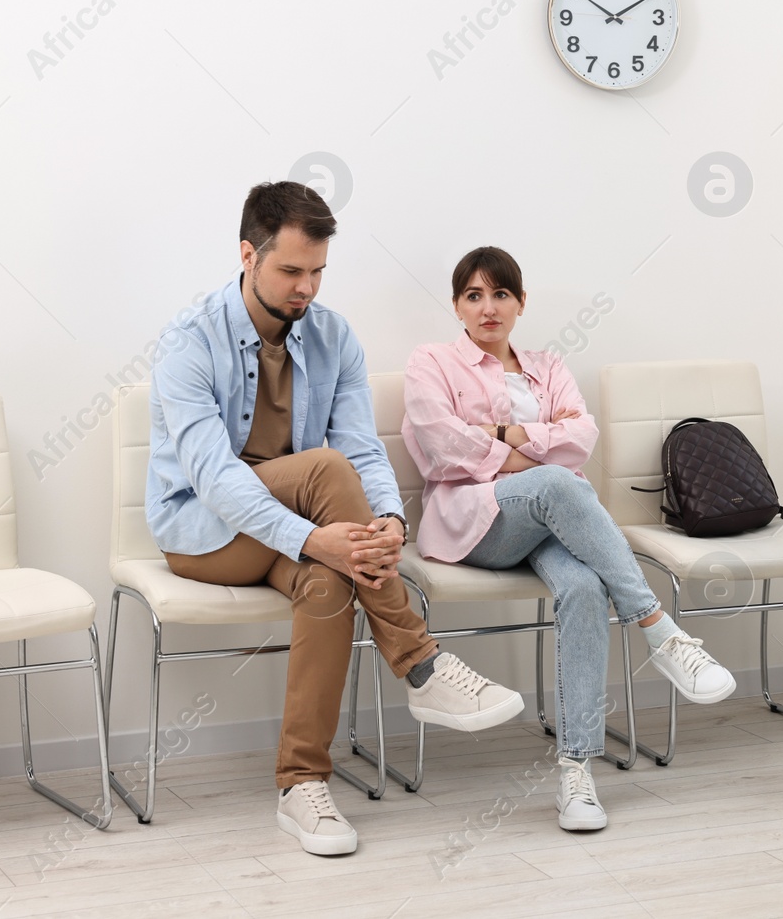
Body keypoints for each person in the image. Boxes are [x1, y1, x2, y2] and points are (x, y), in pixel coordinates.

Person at [146, 183, 523, 857]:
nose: (306, 287)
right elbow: (214, 477)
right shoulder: (187, 341)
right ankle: (420, 662)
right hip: (206, 533)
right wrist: (312, 535)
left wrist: (385, 520)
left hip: (302, 527)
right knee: (323, 473)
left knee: (330, 584)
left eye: (317, 270)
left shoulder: (333, 336)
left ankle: (301, 787)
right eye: (291, 270)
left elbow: (362, 448)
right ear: (246, 254)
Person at [401, 246, 736, 832]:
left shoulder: (549, 366)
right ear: (457, 305)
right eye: (474, 296)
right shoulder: (430, 363)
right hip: (477, 526)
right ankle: (658, 628)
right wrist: (534, 451)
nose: (488, 308)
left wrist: (500, 435)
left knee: (583, 586)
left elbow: (581, 437)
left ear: (520, 302)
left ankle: (576, 773)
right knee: (555, 483)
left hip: (551, 517)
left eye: (501, 294)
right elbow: (440, 444)